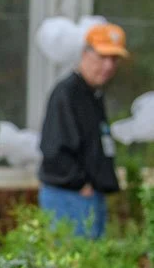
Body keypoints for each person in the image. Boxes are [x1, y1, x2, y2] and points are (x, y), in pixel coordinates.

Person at [39, 22, 128, 240]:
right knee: (72, 257)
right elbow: (53, 148)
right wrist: (80, 184)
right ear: (85, 54)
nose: (108, 66)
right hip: (69, 196)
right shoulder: (67, 93)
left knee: (93, 258)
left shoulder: (94, 94)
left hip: (90, 196)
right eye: (102, 57)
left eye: (114, 59)